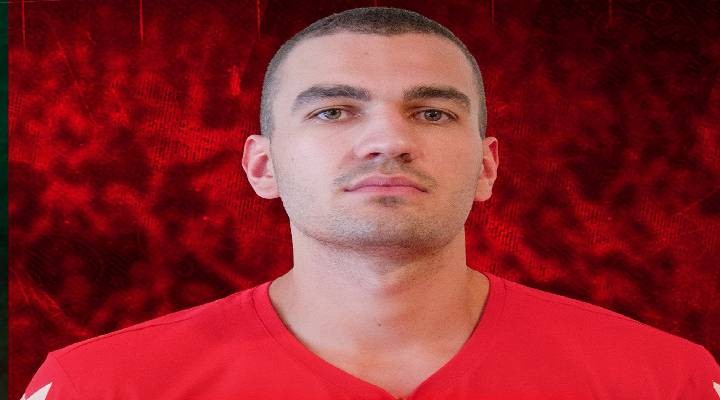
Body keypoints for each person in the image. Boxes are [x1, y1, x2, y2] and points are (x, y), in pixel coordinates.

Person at [21, 7, 720, 400]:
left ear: (486, 166)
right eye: (333, 112)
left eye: (433, 113)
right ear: (263, 166)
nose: (389, 140)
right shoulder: (98, 388)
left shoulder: (666, 382)